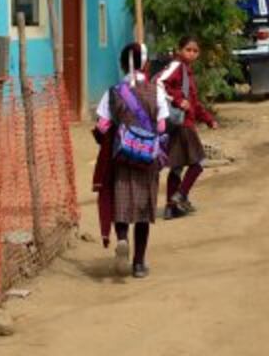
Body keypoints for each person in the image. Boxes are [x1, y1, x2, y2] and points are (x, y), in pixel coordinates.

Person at [91, 42, 169, 277]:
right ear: (145, 64)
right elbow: (163, 125)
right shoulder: (157, 91)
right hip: (147, 159)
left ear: (123, 64)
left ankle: (122, 238)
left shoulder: (113, 92)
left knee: (122, 205)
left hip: (122, 157)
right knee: (144, 211)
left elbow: (102, 126)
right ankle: (138, 263)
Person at [156, 37, 218, 218]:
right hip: (182, 124)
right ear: (179, 50)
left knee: (176, 167)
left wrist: (208, 119)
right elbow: (159, 83)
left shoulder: (187, 72)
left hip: (181, 123)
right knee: (198, 164)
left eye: (195, 51)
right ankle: (180, 196)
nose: (191, 53)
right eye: (188, 50)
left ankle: (170, 208)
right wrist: (177, 100)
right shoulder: (177, 66)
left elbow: (194, 103)